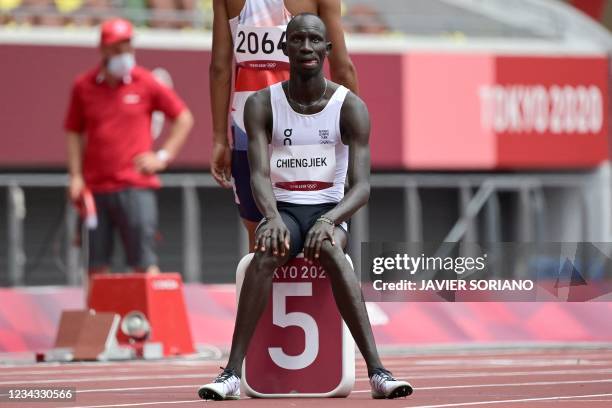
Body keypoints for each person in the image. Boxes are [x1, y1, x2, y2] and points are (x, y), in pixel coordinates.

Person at [198, 13, 413, 401]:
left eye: (315, 40)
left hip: (326, 209)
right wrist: (271, 216)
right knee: (265, 253)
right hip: (283, 209)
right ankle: (230, 374)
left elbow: (362, 187)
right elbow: (259, 175)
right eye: (297, 40)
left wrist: (331, 218)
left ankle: (379, 372)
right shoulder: (262, 104)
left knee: (331, 250)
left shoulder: (351, 107)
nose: (306, 48)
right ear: (285, 48)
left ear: (327, 49)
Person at [209, 0, 358, 249]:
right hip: (306, 128)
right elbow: (343, 68)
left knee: (260, 240)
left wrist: (219, 139)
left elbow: (219, 68)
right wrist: (356, 131)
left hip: (247, 127)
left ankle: (262, 288)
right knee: (321, 232)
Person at [64, 18, 194, 277]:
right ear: (103, 49)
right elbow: (74, 131)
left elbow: (183, 118)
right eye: (117, 48)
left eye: (127, 47)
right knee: (95, 267)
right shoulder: (84, 86)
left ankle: (145, 318)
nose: (124, 54)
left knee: (144, 263)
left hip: (136, 188)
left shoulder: (145, 82)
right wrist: (76, 176)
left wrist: (162, 157)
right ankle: (98, 317)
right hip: (96, 189)